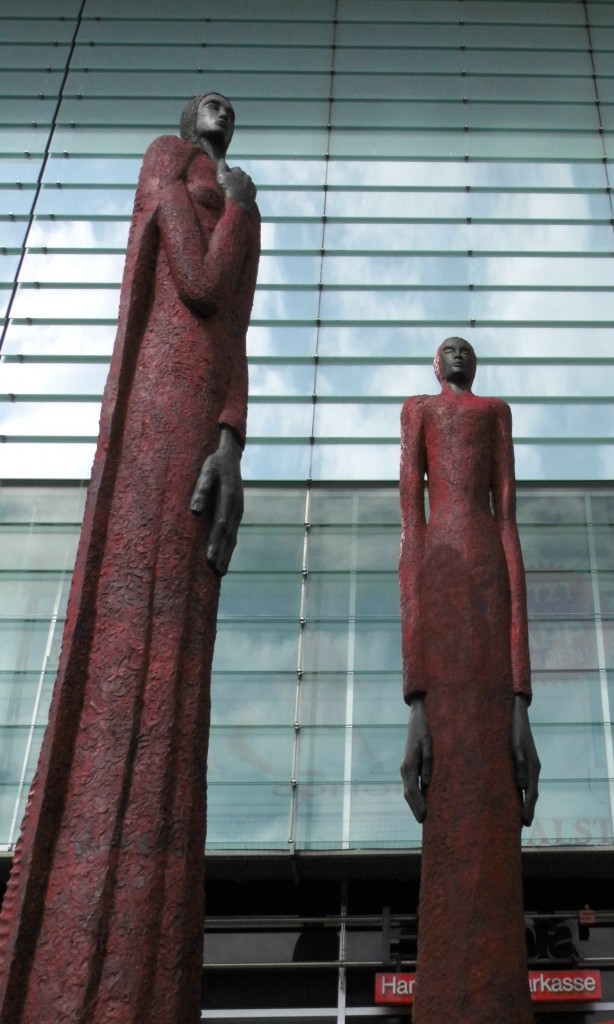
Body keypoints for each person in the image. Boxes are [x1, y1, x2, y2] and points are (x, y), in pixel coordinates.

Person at [0, 94, 260, 1024]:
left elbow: (233, 331)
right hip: (158, 397)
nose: (222, 111)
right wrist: (237, 210)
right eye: (209, 105)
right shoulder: (172, 164)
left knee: (179, 639)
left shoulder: (234, 192)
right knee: (135, 622)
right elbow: (195, 283)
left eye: (230, 107)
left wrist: (233, 436)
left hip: (201, 410)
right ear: (188, 121)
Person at [399, 337, 539, 1024]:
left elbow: (507, 522)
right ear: (435, 365)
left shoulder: (495, 412)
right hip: (441, 576)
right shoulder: (418, 411)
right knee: (451, 809)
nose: (455, 354)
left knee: (488, 807)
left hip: (484, 574)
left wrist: (521, 697)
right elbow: (409, 525)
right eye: (445, 348)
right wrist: (415, 698)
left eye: (464, 347)